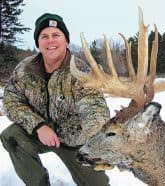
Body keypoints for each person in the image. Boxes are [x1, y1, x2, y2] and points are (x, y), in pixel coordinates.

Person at [0, 13, 110, 186]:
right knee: (11, 136)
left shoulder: (81, 71)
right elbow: (11, 101)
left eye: (56, 35)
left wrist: (96, 138)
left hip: (76, 142)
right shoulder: (25, 68)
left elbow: (94, 106)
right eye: (44, 36)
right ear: (38, 43)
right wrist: (38, 125)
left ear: (66, 41)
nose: (50, 41)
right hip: (40, 134)